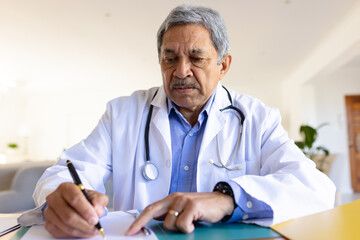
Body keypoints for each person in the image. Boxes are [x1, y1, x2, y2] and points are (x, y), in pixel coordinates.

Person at [32, 4, 335, 238]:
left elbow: (316, 189)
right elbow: (67, 172)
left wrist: (226, 200)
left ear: (223, 65)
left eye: (196, 57)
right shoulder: (123, 113)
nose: (181, 71)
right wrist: (59, 197)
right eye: (170, 58)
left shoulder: (257, 118)